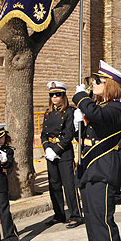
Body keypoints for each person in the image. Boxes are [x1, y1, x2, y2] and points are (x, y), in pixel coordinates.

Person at [73, 60, 121, 241]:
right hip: (88, 171)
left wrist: (80, 99)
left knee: (104, 224)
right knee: (93, 225)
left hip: (103, 172)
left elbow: (97, 115)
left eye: (98, 81)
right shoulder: (100, 106)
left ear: (111, 85)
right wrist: (77, 118)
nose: (93, 84)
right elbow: (92, 120)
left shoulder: (117, 109)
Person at [41, 81, 82, 228]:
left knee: (69, 185)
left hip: (64, 153)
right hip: (50, 152)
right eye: (52, 95)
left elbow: (68, 134)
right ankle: (59, 214)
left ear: (63, 96)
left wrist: (56, 149)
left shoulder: (70, 112)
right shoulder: (48, 112)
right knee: (54, 185)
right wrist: (47, 149)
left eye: (57, 95)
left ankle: (76, 215)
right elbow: (43, 134)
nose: (54, 97)